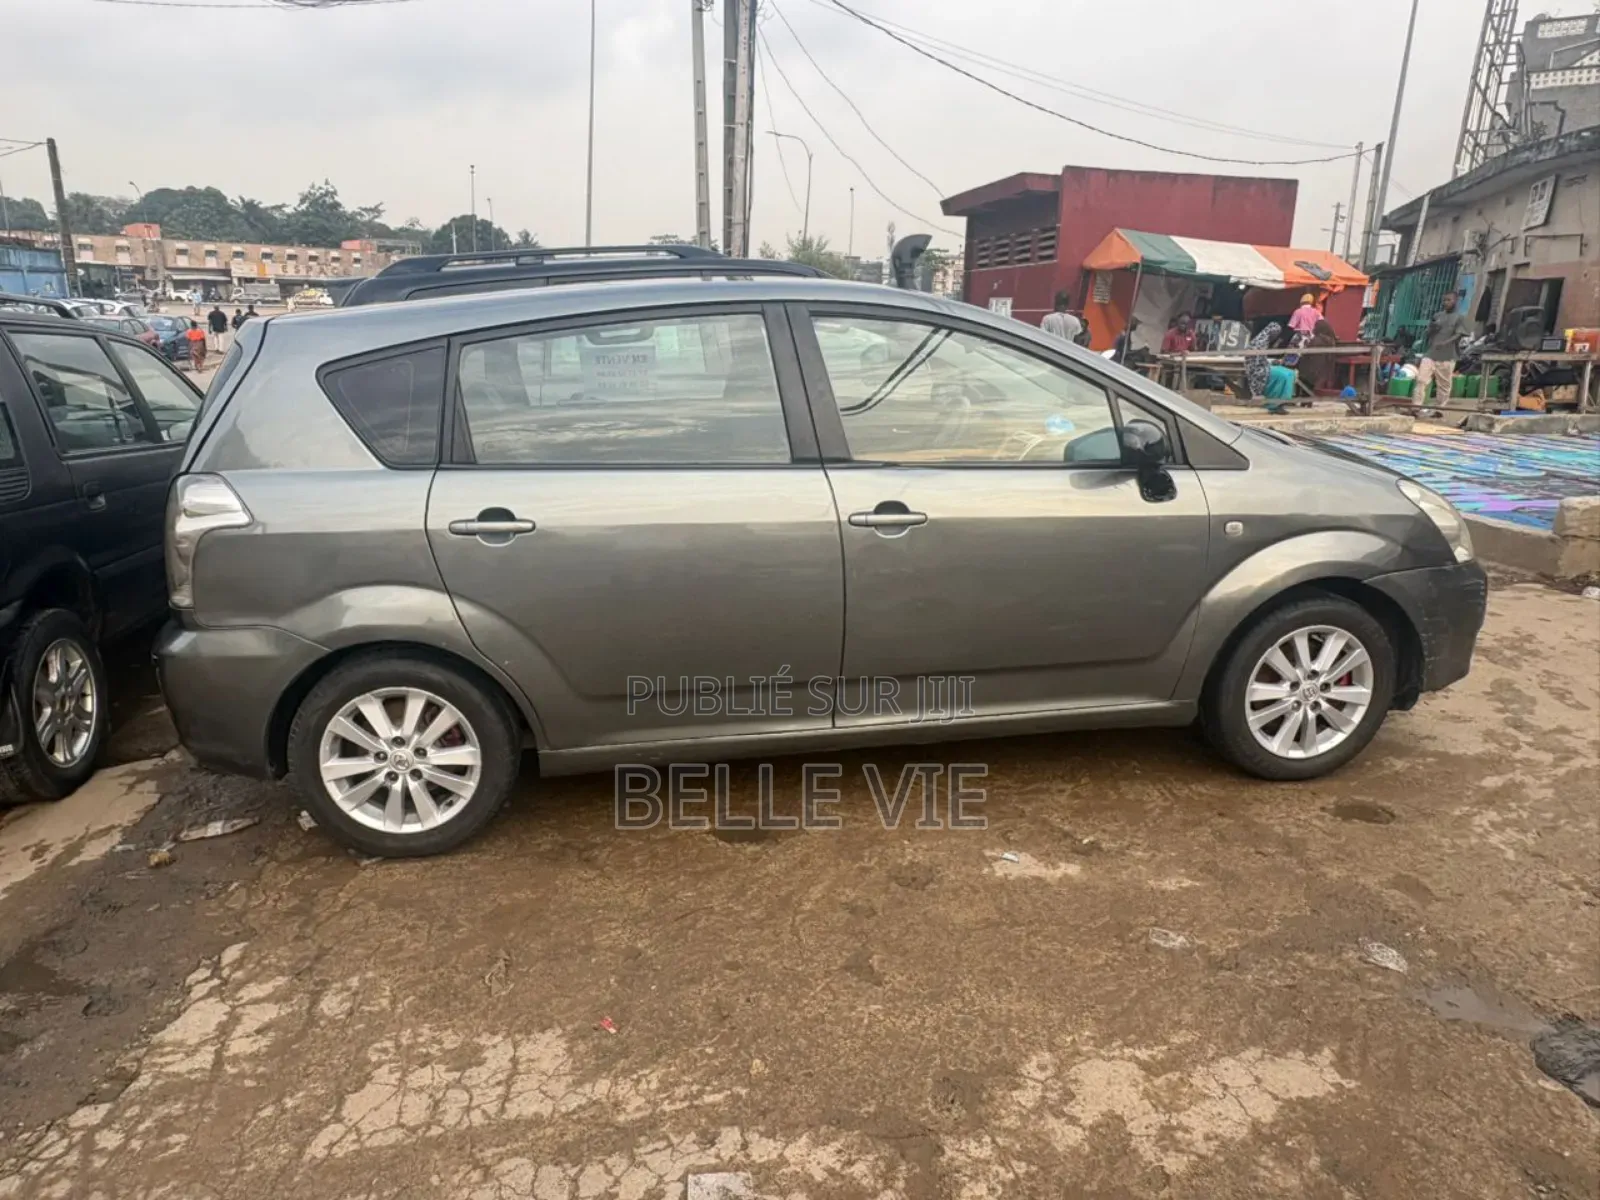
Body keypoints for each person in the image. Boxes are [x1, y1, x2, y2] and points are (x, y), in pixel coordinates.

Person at [1417, 292, 1474, 403]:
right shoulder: (1437, 316)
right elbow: (1428, 333)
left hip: (1447, 356)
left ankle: (1440, 407)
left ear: (1455, 301)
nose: (1445, 302)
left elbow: (1458, 335)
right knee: (1421, 380)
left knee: (1443, 384)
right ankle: (1416, 406)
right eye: (1444, 300)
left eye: (1449, 300)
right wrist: (1432, 328)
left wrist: (1445, 343)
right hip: (1431, 354)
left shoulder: (1459, 318)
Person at [1244, 321, 1282, 402]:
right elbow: (1258, 360)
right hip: (1255, 367)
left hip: (1256, 363)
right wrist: (1271, 363)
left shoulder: (1264, 339)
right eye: (1275, 334)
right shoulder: (1261, 341)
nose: (1275, 336)